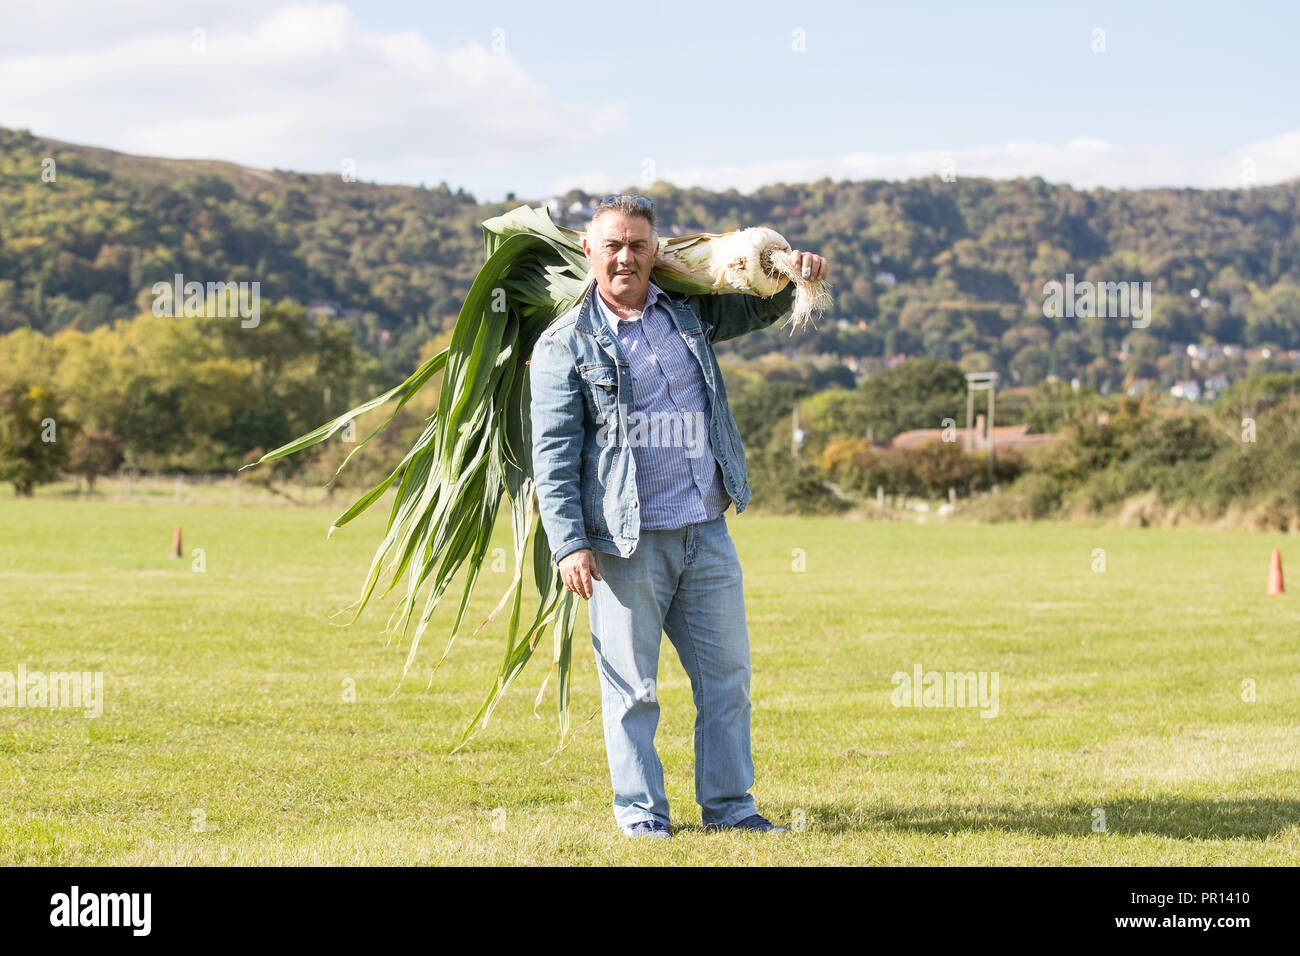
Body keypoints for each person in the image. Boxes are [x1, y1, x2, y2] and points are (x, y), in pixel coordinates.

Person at [528, 194, 829, 839]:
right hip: (625, 545)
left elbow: (759, 306)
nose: (625, 258)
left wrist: (792, 274)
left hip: (705, 533)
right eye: (612, 245)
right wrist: (569, 544)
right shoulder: (564, 346)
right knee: (633, 691)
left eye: (638, 245)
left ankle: (731, 810)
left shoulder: (687, 314)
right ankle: (642, 820)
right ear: (589, 251)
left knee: (727, 682)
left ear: (655, 251)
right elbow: (553, 454)